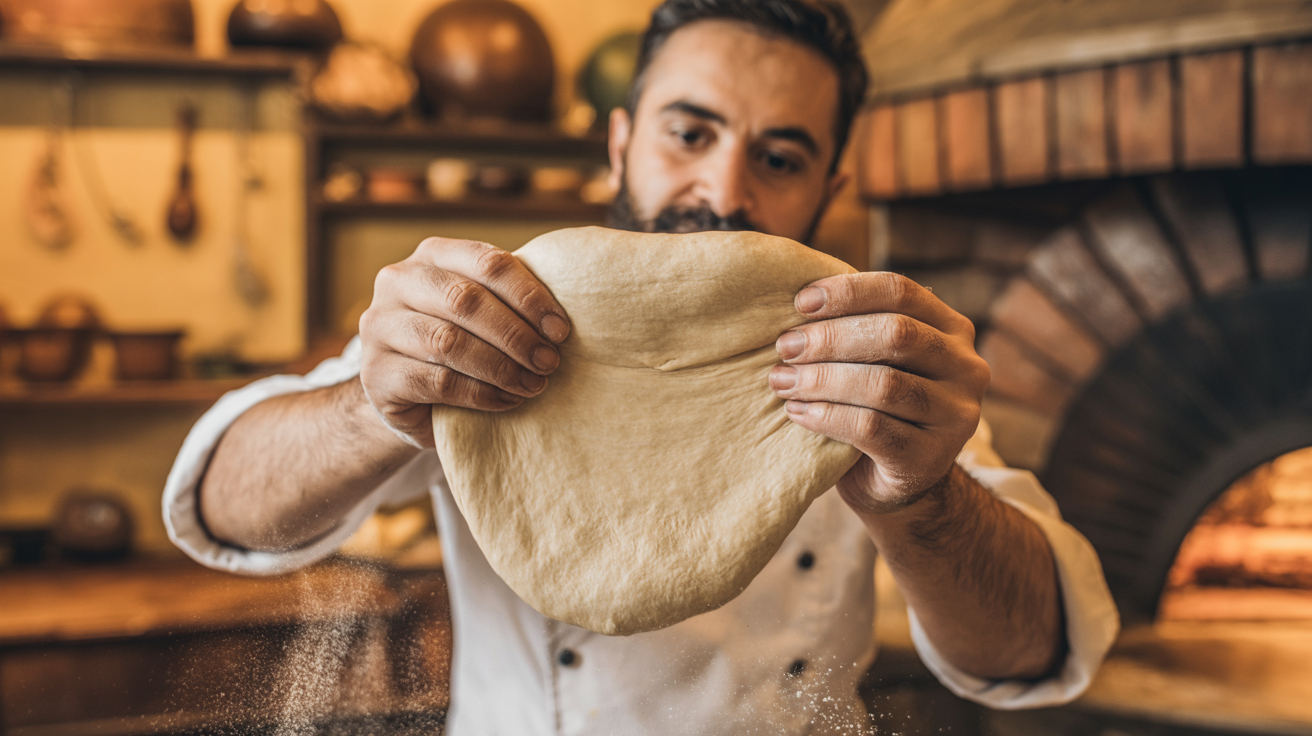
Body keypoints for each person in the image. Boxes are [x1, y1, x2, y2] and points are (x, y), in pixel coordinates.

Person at [164, 1, 1119, 733]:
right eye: (690, 134)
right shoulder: (496, 314)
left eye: (780, 158)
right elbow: (222, 506)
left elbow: (1030, 651)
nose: (723, 190)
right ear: (621, 144)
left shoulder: (866, 355)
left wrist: (922, 498)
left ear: (830, 188)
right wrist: (372, 407)